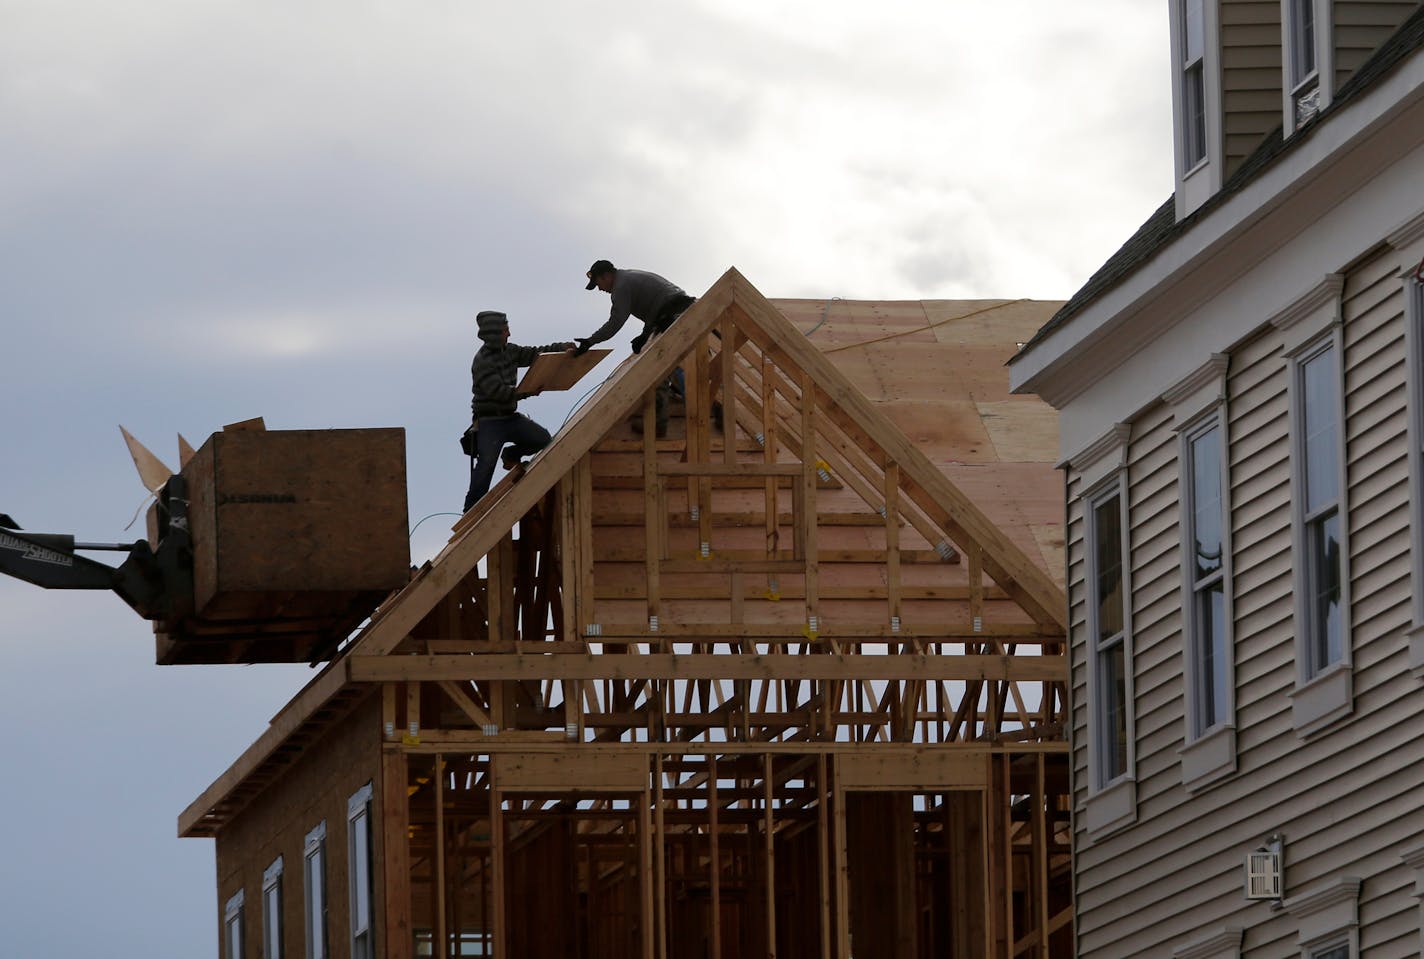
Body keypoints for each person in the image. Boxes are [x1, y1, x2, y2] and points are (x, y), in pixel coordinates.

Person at [570, 260, 696, 436]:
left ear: (606, 276)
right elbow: (656, 305)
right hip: (682, 311)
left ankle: (661, 423)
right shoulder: (629, 277)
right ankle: (713, 407)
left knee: (661, 366)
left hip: (673, 316)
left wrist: (590, 341)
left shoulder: (620, 287)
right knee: (683, 364)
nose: (599, 289)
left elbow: (615, 322)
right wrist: (645, 335)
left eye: (598, 283)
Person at [463, 311, 573, 511]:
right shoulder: (482, 361)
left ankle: (511, 454)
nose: (509, 334)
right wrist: (527, 392)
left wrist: (561, 348)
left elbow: (535, 354)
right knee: (485, 466)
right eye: (505, 330)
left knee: (542, 439)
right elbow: (499, 393)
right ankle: (470, 512)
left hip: (509, 418)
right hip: (489, 421)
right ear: (495, 334)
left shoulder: (510, 351)